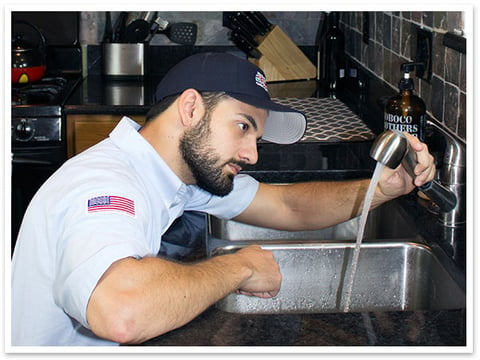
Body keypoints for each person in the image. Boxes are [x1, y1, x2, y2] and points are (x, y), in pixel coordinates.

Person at [11, 52, 436, 346]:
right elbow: (122, 312)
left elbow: (287, 206)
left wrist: (383, 189)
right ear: (191, 108)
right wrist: (239, 266)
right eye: (243, 126)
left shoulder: (177, 173)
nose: (252, 153)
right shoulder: (105, 185)